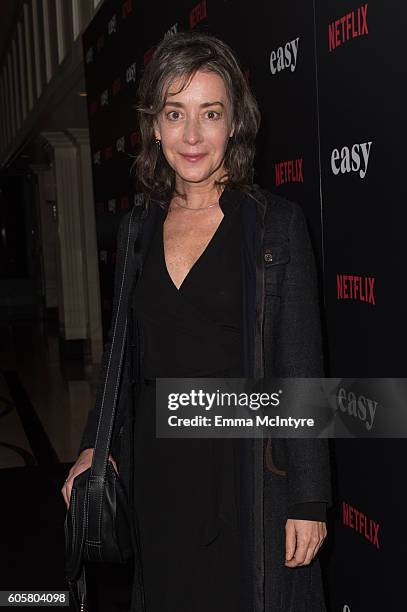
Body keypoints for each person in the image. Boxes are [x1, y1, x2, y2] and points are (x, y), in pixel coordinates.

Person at [62, 31, 332, 612]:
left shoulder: (275, 226)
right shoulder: (137, 228)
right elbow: (124, 360)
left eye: (210, 113)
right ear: (154, 126)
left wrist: (309, 501)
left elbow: (301, 368)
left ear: (234, 123)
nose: (191, 136)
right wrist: (95, 446)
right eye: (175, 113)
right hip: (160, 474)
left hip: (248, 473)